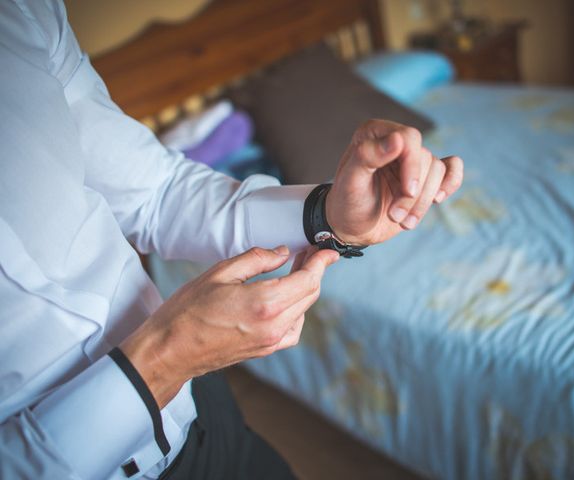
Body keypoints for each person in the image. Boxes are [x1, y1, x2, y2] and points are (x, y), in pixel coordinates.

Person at [0, 0, 464, 479]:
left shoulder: (22, 14)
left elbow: (157, 193)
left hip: (204, 411)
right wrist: (166, 354)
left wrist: (327, 214)